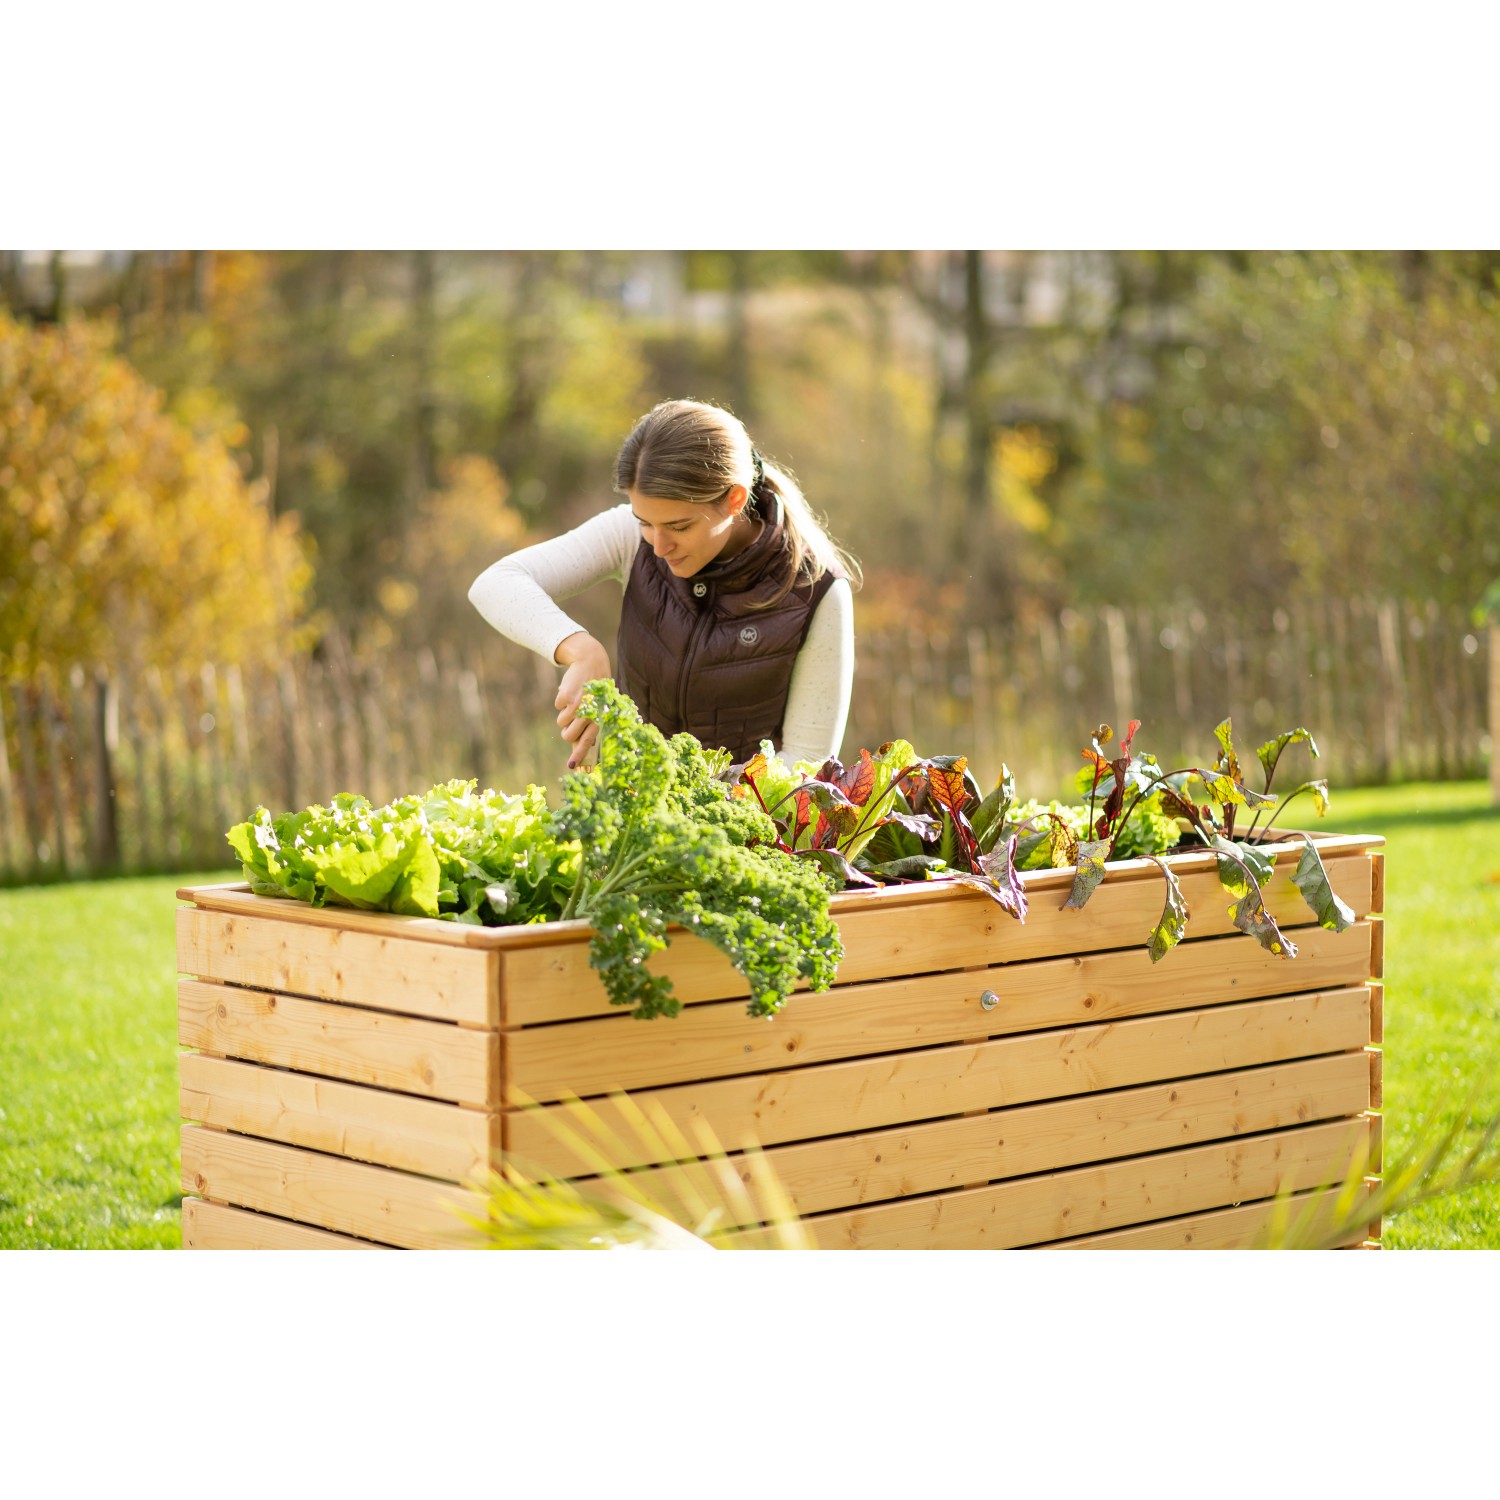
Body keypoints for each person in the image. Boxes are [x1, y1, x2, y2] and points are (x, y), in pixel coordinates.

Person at [469, 397, 859, 772]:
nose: (658, 545)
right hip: (633, 829)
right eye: (645, 521)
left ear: (735, 499)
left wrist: (683, 796)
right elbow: (496, 583)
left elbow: (806, 767)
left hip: (752, 836)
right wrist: (579, 649)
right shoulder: (630, 536)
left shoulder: (817, 589)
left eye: (679, 526)